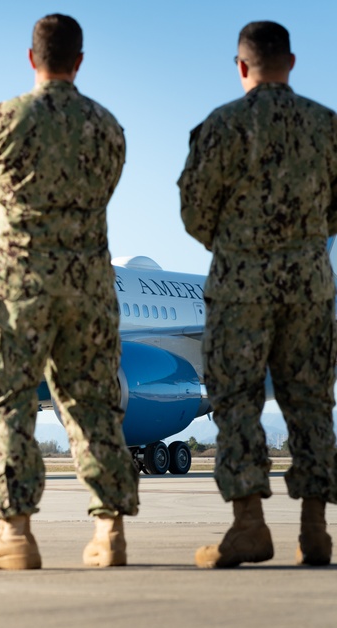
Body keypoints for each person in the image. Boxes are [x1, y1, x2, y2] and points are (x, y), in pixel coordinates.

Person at [0, 14, 138, 570]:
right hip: (88, 285)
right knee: (94, 404)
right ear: (78, 61)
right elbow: (106, 184)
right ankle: (109, 535)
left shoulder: (4, 119)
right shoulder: (106, 126)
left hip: (19, 284)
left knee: (8, 401)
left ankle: (14, 534)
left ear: (31, 59)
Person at [179, 21, 337, 568]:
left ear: (241, 67)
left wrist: (238, 243)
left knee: (237, 400)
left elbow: (194, 214)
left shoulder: (221, 126)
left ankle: (249, 526)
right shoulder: (327, 127)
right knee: (312, 401)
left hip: (241, 287)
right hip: (312, 286)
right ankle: (315, 530)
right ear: (291, 63)